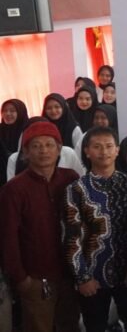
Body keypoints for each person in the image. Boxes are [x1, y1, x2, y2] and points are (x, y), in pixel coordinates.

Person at [63, 126, 127, 332]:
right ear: (87, 151)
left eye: (109, 146)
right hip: (92, 274)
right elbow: (72, 238)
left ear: (117, 150)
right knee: (95, 326)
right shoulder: (77, 189)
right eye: (97, 147)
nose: (104, 151)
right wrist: (82, 277)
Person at [0, 122, 81, 332]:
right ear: (25, 152)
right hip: (36, 278)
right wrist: (21, 279)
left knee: (69, 324)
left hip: (70, 275)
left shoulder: (70, 178)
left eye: (49, 144)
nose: (44, 150)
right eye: (36, 146)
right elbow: (8, 237)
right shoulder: (14, 189)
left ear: (59, 149)